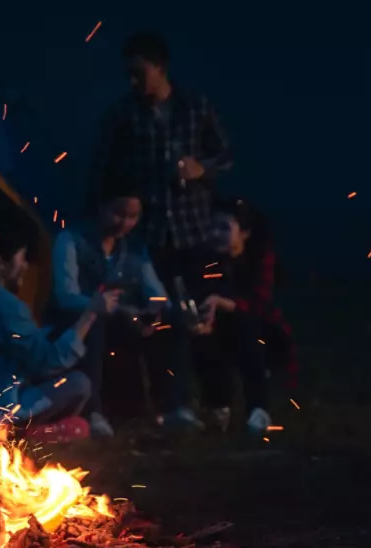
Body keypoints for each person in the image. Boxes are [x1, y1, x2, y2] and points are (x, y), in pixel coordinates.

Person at [0, 221, 118, 443]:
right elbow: (48, 361)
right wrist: (90, 314)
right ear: (2, 264)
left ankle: (22, 434)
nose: (25, 267)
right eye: (21, 259)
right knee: (79, 384)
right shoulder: (6, 305)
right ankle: (24, 436)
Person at [50, 188, 203, 432]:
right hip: (82, 322)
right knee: (95, 320)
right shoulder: (72, 240)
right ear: (102, 208)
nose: (125, 223)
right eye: (119, 214)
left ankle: (175, 406)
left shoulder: (133, 248)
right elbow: (65, 296)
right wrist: (100, 306)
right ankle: (93, 411)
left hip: (124, 320)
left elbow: (156, 292)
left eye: (133, 217)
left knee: (172, 321)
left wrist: (156, 310)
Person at [90, 31, 233, 287]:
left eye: (139, 73)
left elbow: (225, 154)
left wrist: (201, 167)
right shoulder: (123, 114)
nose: (133, 82)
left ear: (161, 68)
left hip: (193, 229)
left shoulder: (195, 107)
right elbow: (101, 168)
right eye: (129, 75)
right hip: (146, 233)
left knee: (197, 305)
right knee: (155, 310)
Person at [189, 197, 298, 434]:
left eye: (225, 228)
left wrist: (223, 303)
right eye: (212, 227)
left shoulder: (259, 257)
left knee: (247, 330)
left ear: (245, 233)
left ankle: (258, 409)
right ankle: (219, 407)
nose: (216, 234)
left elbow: (259, 304)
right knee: (202, 341)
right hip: (219, 326)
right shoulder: (205, 258)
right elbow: (201, 293)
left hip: (263, 330)